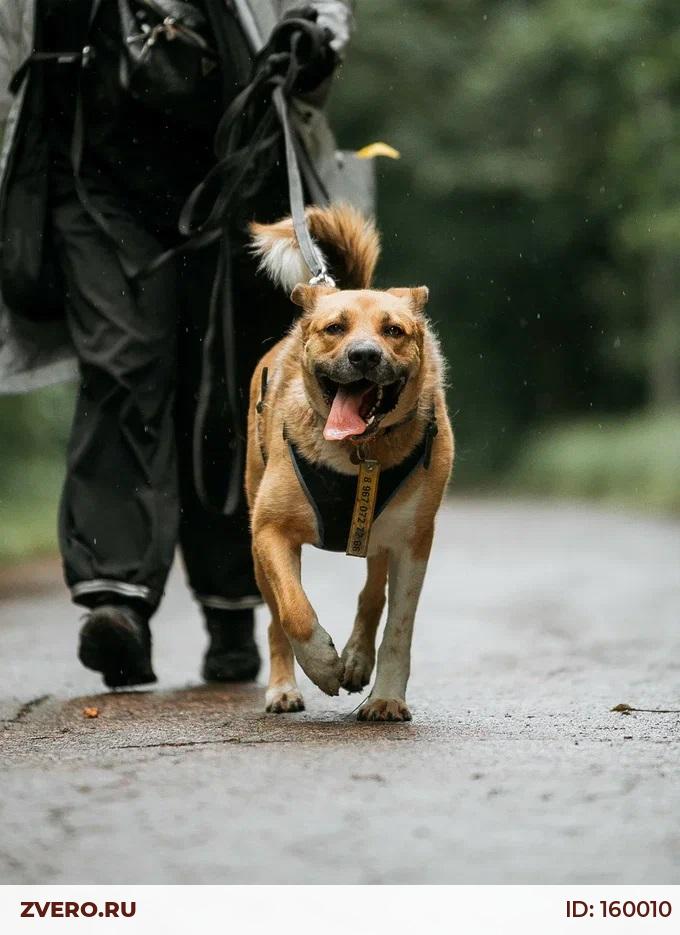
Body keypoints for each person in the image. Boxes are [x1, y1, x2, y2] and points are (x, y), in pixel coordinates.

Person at [0, 0, 357, 688]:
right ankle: (116, 600)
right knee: (121, 367)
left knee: (225, 381)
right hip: (89, 166)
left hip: (237, 160)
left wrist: (318, 34)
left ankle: (232, 606)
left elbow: (324, 7)